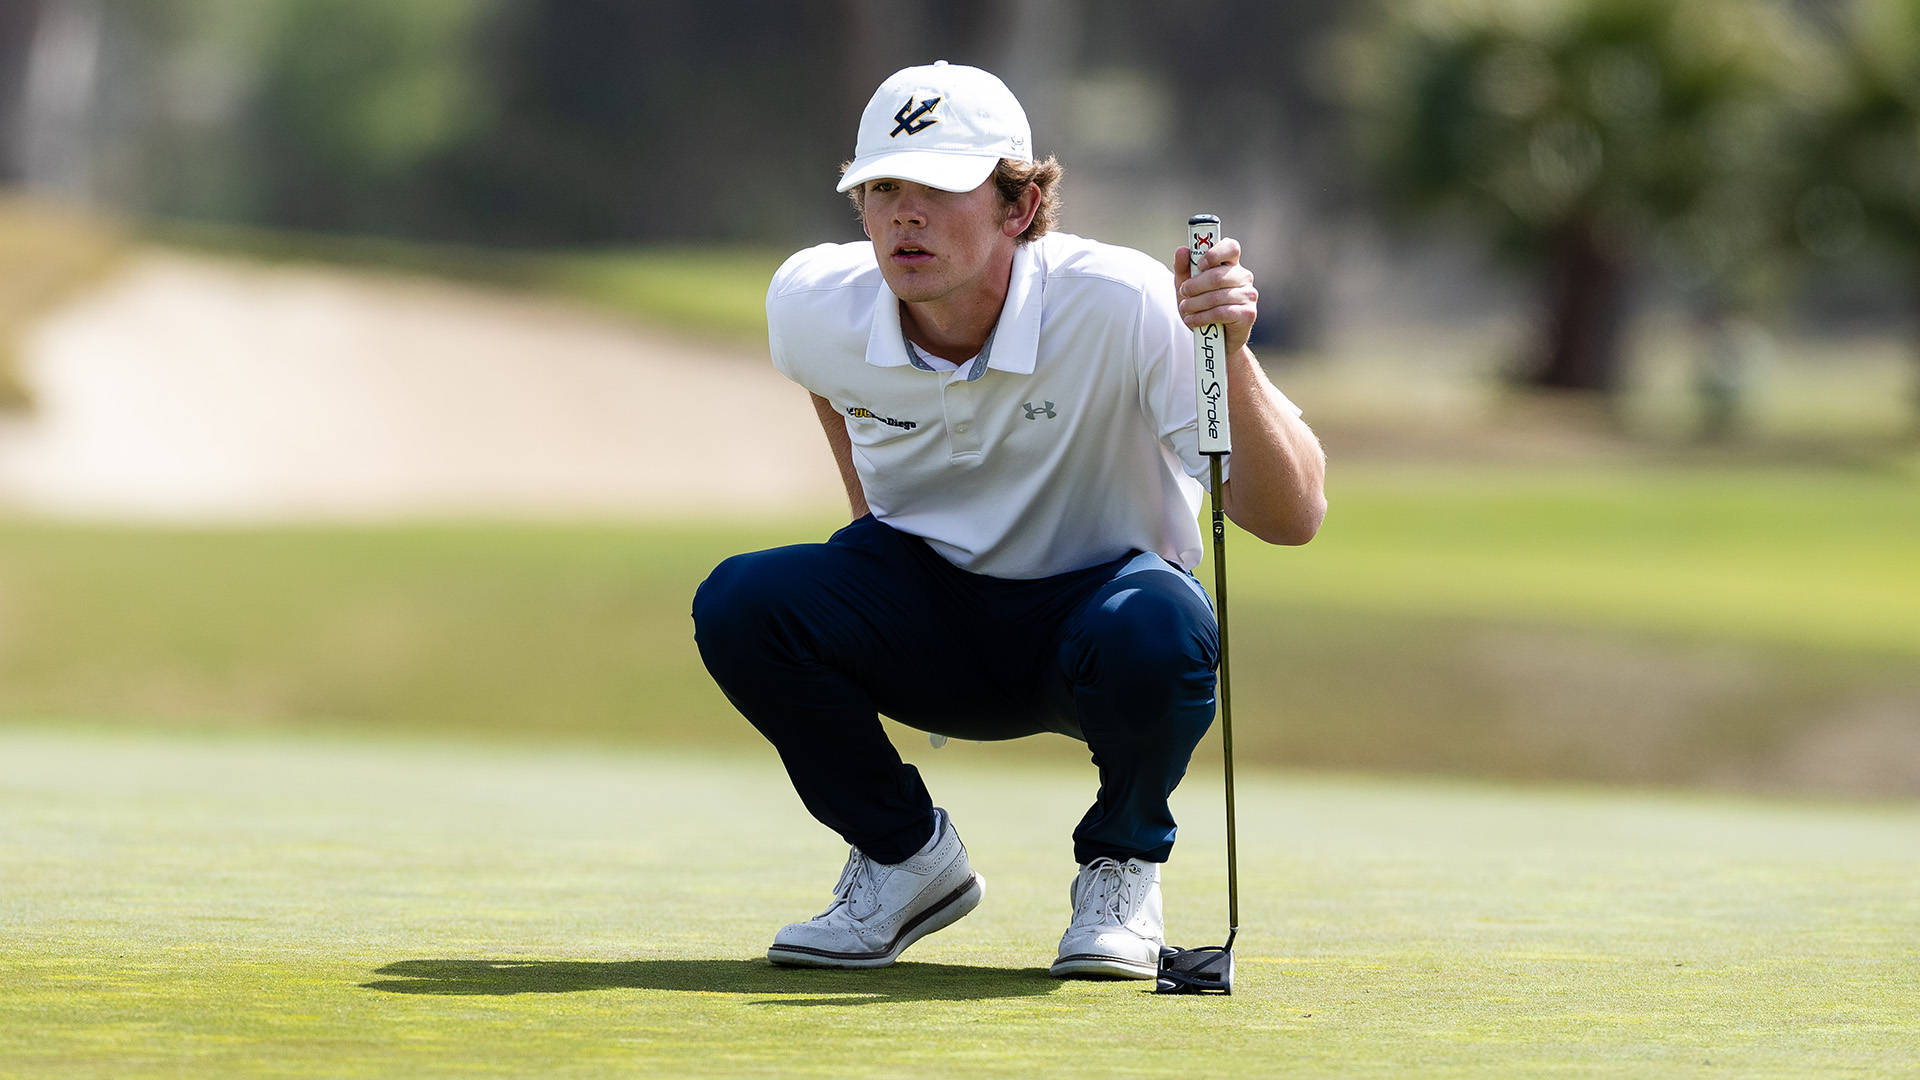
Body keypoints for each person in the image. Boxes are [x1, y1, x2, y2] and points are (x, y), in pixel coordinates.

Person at [692, 60, 1325, 979]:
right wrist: (872, 543)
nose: (906, 214)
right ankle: (906, 863)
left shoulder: (1122, 301)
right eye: (882, 189)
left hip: (1100, 632)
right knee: (745, 601)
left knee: (1164, 619)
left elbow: (1292, 515)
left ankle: (1123, 869)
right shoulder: (808, 306)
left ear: (1018, 208)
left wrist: (1229, 354)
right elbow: (837, 394)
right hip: (928, 617)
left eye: (941, 189)